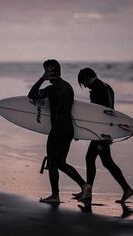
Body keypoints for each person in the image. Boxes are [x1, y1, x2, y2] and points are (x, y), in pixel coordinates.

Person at [28, 59, 88, 203]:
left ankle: (55, 195)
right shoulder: (68, 87)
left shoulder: (52, 88)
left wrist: (42, 79)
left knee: (53, 162)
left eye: (45, 71)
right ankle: (85, 186)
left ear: (49, 71)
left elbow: (32, 95)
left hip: (58, 130)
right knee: (61, 162)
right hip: (69, 129)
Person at [74, 67, 133, 204]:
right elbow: (110, 111)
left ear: (86, 78)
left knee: (105, 161)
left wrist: (82, 132)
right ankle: (87, 190)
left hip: (101, 132)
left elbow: (96, 115)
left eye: (83, 82)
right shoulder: (107, 87)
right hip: (105, 130)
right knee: (94, 159)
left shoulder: (96, 90)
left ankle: (126, 189)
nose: (84, 86)